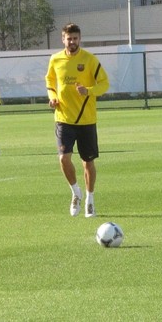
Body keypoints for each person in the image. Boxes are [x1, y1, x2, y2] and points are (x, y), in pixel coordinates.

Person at [45, 23, 109, 218]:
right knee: (63, 158)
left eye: (75, 38)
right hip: (63, 118)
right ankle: (75, 193)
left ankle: (90, 199)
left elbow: (104, 84)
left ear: (79, 39)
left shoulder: (89, 60)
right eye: (68, 38)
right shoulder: (55, 59)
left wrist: (88, 91)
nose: (72, 42)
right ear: (63, 39)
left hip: (86, 120)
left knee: (87, 162)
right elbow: (50, 81)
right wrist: (52, 96)